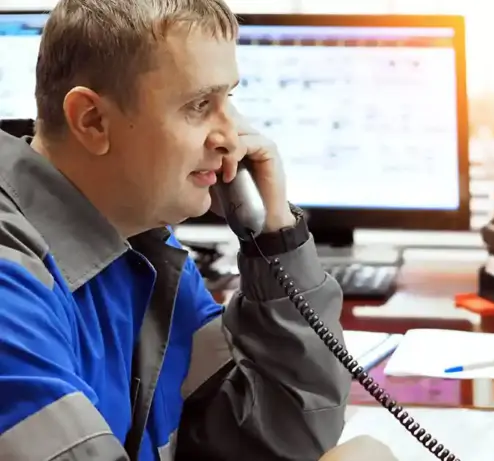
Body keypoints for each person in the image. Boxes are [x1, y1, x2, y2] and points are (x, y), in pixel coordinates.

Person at [0, 1, 396, 460]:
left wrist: (275, 239)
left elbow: (281, 440)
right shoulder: (11, 284)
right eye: (199, 105)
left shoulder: (143, 252)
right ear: (92, 120)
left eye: (229, 99)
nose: (234, 135)